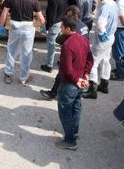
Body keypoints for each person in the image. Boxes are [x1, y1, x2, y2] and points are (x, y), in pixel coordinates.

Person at [54, 16, 93, 151]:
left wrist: (76, 80)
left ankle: (70, 140)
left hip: (70, 84)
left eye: (62, 27)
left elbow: (67, 69)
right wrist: (85, 76)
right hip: (81, 81)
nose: (60, 28)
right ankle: (74, 133)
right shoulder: (84, 40)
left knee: (65, 111)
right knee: (76, 107)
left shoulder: (67, 45)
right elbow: (90, 60)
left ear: (68, 28)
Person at [0, 0, 45, 85]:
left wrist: (1, 25)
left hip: (15, 27)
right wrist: (43, 27)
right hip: (28, 29)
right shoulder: (34, 1)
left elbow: (4, 12)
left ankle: (8, 75)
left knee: (11, 51)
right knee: (26, 53)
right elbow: (41, 18)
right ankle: (23, 78)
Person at [40, 6, 88, 100]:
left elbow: (59, 39)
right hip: (82, 54)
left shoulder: (71, 28)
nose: (66, 16)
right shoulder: (84, 25)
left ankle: (55, 94)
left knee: (63, 74)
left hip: (71, 55)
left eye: (68, 15)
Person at [83, 0, 118, 99]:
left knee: (93, 62)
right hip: (111, 36)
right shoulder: (112, 2)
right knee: (105, 60)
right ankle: (104, 84)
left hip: (103, 39)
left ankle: (92, 89)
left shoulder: (104, 7)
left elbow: (100, 24)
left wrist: (102, 34)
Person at [41, 0, 69, 73]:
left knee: (51, 45)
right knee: (62, 43)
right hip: (62, 22)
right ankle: (62, 60)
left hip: (55, 24)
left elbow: (51, 15)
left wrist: (48, 28)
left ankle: (49, 65)